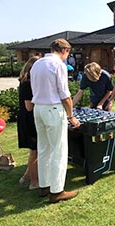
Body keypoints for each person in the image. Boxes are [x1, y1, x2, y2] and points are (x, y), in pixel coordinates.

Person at [30, 38, 81, 203]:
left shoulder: (37, 63)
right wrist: (71, 116)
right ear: (65, 50)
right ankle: (57, 191)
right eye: (68, 53)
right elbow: (65, 95)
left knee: (43, 149)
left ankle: (44, 186)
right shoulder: (58, 64)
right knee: (58, 151)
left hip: (38, 108)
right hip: (53, 108)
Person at [17, 56, 39, 190]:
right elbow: (29, 106)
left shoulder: (24, 81)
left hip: (25, 118)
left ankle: (25, 176)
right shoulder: (29, 84)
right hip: (29, 120)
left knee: (33, 151)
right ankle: (34, 182)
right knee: (35, 151)